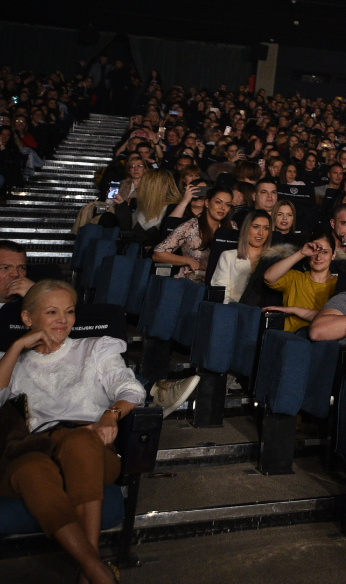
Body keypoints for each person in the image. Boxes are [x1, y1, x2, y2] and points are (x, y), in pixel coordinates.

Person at [0, 280, 143, 584]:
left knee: (79, 442)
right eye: (51, 312)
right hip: (34, 447)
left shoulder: (94, 348)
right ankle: (94, 570)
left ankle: (88, 572)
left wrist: (111, 415)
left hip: (91, 446)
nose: (62, 320)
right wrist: (15, 348)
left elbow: (130, 388)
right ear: (28, 318)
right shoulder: (12, 361)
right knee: (29, 469)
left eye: (69, 311)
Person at [261, 233, 343, 332]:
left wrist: (294, 310)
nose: (318, 257)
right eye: (314, 251)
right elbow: (269, 276)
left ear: (333, 255)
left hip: (323, 342)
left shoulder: (339, 283)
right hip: (291, 339)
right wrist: (301, 253)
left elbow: (334, 319)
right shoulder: (295, 278)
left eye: (325, 252)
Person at [153, 184, 233, 282]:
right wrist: (189, 261)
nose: (223, 208)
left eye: (227, 204)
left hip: (220, 283)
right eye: (218, 202)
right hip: (190, 283)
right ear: (207, 202)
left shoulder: (232, 227)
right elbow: (158, 253)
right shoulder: (191, 226)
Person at [211, 208, 273, 303]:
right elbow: (221, 294)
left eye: (266, 228)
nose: (261, 233)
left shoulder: (273, 260)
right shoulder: (228, 256)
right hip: (233, 311)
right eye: (256, 227)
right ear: (247, 228)